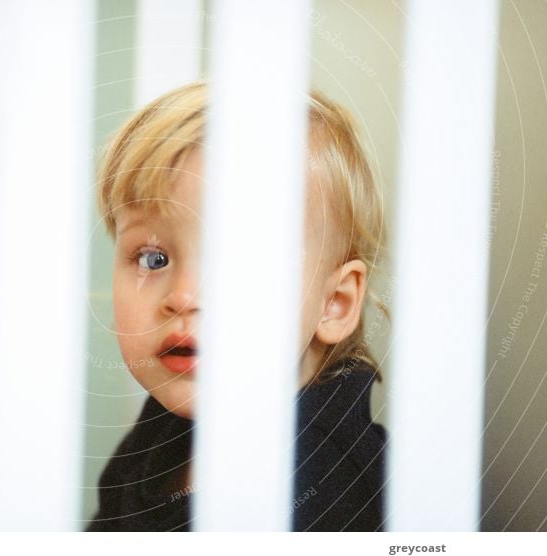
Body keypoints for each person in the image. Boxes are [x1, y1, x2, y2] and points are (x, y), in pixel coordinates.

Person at [85, 80, 388, 531]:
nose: (184, 297)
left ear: (335, 304)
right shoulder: (163, 432)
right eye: (154, 258)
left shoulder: (325, 485)